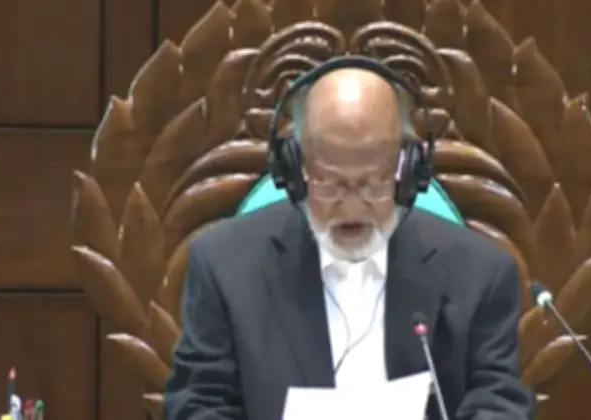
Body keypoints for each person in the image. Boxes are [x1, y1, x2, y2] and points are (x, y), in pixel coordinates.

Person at [164, 61, 533, 420]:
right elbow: (198, 403)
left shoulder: (480, 273)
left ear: (406, 171)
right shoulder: (223, 267)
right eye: (331, 183)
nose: (353, 205)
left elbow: (498, 400)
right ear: (296, 169)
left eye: (374, 183)